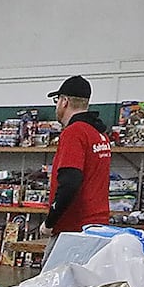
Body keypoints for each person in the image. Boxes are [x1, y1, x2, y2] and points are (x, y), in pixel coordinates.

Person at [44, 75, 112, 235]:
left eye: (57, 101)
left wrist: (50, 222)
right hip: (97, 224)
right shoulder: (99, 133)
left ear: (64, 101)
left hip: (73, 228)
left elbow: (70, 182)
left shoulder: (74, 133)